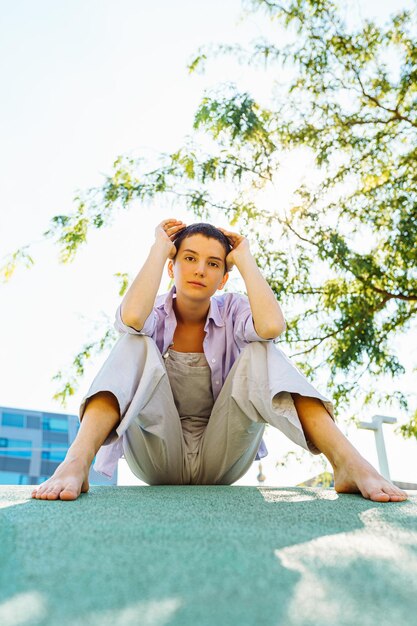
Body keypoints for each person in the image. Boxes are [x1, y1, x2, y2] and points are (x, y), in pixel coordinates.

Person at [32, 218, 408, 502]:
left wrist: (245, 260)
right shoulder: (155, 314)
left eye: (214, 264)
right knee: (134, 342)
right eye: (189, 259)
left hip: (222, 456)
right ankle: (76, 462)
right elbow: (131, 318)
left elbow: (272, 326)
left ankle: (348, 463)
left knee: (260, 349)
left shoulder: (234, 311)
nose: (200, 269)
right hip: (160, 457)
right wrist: (158, 248)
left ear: (223, 278)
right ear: (172, 267)